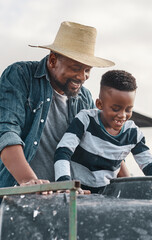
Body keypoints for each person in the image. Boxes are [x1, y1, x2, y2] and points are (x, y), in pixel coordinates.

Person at [0, 21, 116, 190]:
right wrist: (29, 183)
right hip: (17, 198)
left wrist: (129, 184)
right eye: (76, 68)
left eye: (87, 70)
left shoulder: (85, 98)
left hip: (65, 201)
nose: (82, 77)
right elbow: (6, 131)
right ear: (53, 60)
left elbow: (101, 143)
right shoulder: (20, 76)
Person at [54, 70, 152, 193]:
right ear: (100, 104)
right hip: (78, 191)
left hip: (107, 194)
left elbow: (149, 165)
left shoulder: (132, 133)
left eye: (128, 110)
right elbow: (63, 151)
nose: (122, 115)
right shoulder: (85, 120)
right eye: (115, 109)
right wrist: (64, 183)